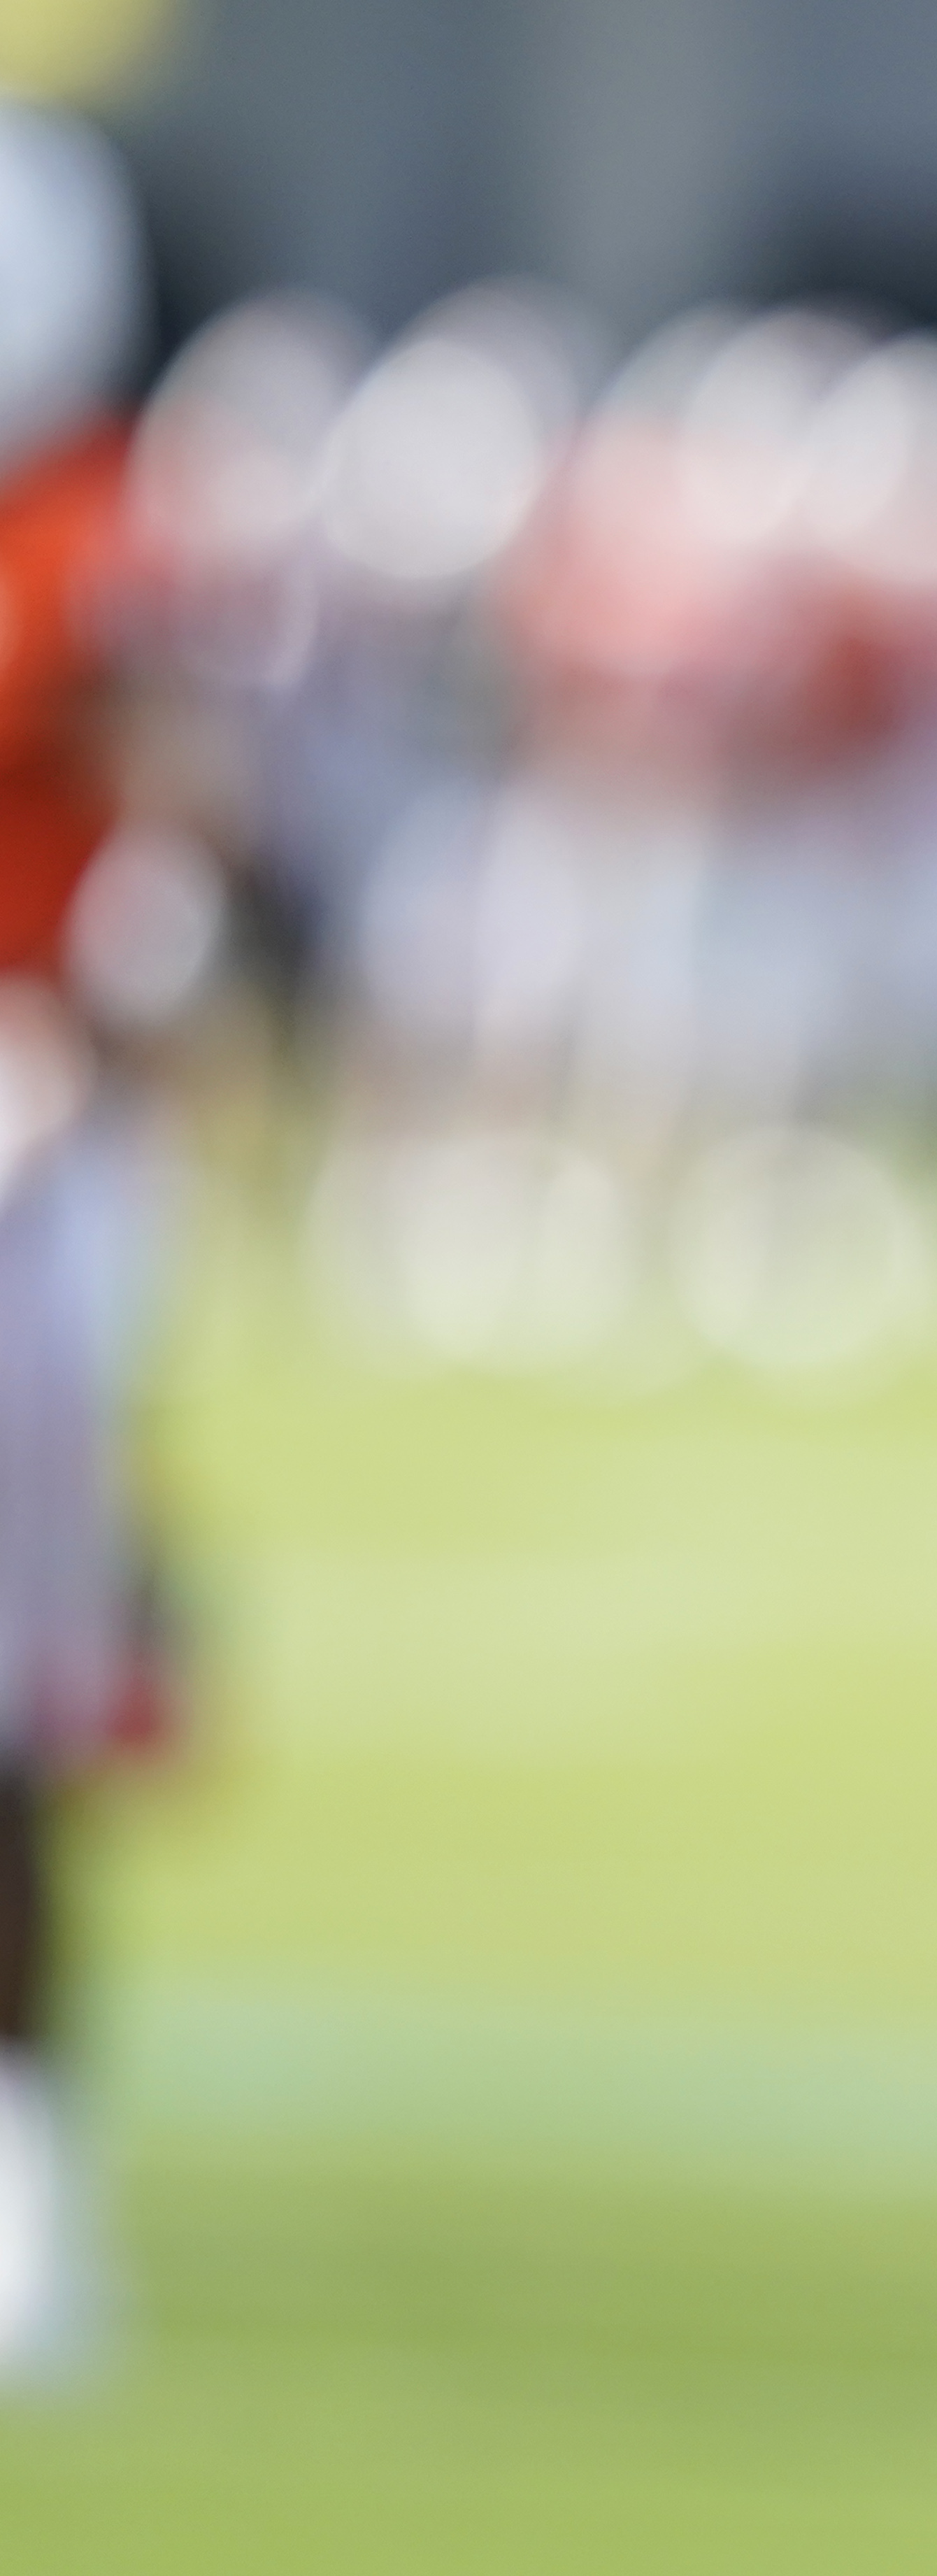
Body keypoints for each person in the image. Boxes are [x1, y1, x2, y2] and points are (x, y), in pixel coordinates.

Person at [0, 88, 155, 2384]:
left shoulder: (82, 553)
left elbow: (154, 899)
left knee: (13, 1715)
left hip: (20, 1165)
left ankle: (26, 2161)